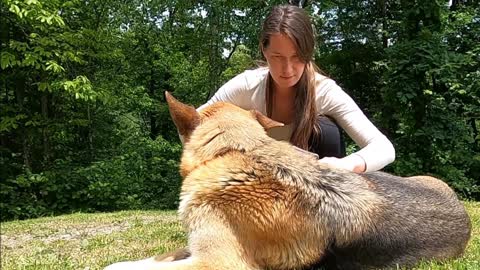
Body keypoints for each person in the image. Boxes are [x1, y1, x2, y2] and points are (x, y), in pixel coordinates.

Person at [198, 4, 395, 173]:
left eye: (297, 57)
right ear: (263, 49)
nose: (287, 69)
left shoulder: (324, 92)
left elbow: (384, 148)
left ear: (309, 53)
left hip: (309, 187)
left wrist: (346, 165)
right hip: (253, 182)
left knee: (328, 133)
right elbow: (193, 123)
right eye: (277, 57)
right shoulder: (247, 86)